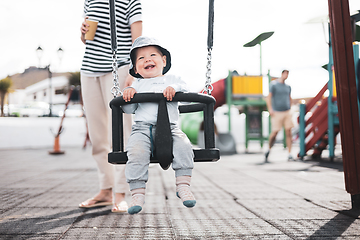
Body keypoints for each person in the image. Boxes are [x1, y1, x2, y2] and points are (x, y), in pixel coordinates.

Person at [78, 0, 142, 213]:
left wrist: (133, 74)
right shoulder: (89, 0)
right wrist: (82, 32)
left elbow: (138, 40)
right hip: (89, 68)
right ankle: (105, 189)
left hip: (119, 66)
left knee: (121, 132)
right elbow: (87, 40)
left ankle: (121, 193)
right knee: (97, 135)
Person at [121, 36, 196, 215]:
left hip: (170, 128)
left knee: (184, 147)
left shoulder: (172, 78)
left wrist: (174, 89)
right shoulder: (136, 84)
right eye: (141, 58)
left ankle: (183, 185)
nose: (147, 59)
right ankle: (137, 192)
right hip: (142, 129)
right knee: (136, 152)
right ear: (135, 68)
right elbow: (129, 109)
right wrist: (128, 93)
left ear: (163, 60)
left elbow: (185, 88)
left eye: (153, 55)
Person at [265, 70, 294, 162]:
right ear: (282, 74)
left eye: (288, 74)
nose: (286, 76)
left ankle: (289, 153)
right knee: (275, 132)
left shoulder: (288, 87)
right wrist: (270, 109)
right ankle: (268, 149)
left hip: (287, 111)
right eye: (285, 74)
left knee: (288, 132)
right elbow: (269, 97)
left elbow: (289, 97)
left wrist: (291, 107)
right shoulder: (274, 85)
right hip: (277, 112)